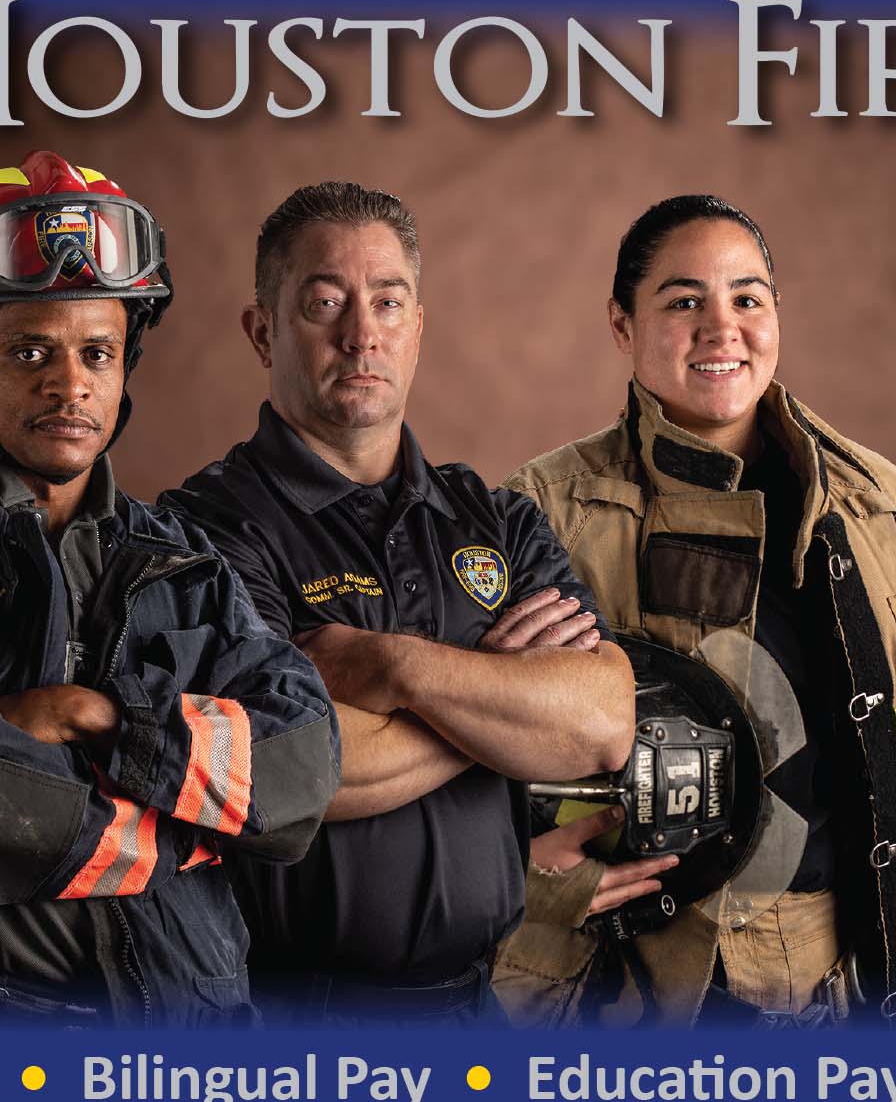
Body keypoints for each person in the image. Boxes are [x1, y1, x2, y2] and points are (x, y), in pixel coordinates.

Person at [497, 194, 896, 1030]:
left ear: (777, 316)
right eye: (684, 302)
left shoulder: (881, 516)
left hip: (864, 991)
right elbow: (464, 762)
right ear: (622, 324)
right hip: (624, 1002)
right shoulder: (538, 519)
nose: (722, 328)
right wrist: (534, 880)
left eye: (747, 299)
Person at [0, 152, 336, 1027]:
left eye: (97, 352)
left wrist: (96, 718)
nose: (68, 383)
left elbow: (300, 767)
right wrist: (191, 816)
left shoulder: (180, 558)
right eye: (29, 350)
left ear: (126, 361)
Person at [161, 182, 633, 1026]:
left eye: (388, 301)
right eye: (324, 302)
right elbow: (283, 770)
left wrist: (393, 667)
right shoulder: (204, 530)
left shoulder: (494, 518)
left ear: (418, 327)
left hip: (475, 1008)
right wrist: (506, 710)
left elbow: (599, 725)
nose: (361, 331)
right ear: (262, 328)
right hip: (287, 1020)